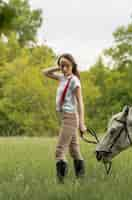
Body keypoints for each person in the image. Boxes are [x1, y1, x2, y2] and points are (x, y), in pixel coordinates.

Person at [42, 53, 87, 183]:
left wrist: (82, 124)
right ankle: (81, 181)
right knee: (74, 150)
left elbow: (80, 102)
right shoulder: (62, 78)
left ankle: (61, 183)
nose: (64, 69)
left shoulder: (74, 81)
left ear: (72, 65)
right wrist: (58, 67)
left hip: (70, 118)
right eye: (62, 66)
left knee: (59, 151)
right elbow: (45, 72)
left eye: (67, 66)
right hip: (65, 117)